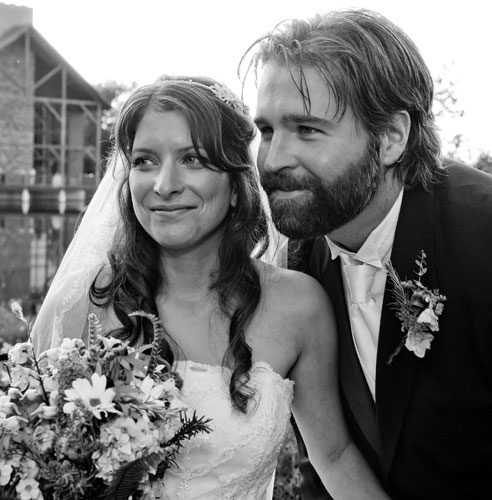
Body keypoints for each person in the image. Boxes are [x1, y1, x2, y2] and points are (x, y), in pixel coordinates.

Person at [31, 76, 389, 500]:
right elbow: (31, 463)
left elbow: (334, 455)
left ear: (237, 185)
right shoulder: (81, 305)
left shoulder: (299, 307)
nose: (164, 185)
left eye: (193, 159)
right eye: (145, 161)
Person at [246, 7, 492, 500]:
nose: (272, 160)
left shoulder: (483, 236)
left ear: (391, 137)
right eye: (267, 131)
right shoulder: (296, 265)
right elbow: (327, 458)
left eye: (307, 129)